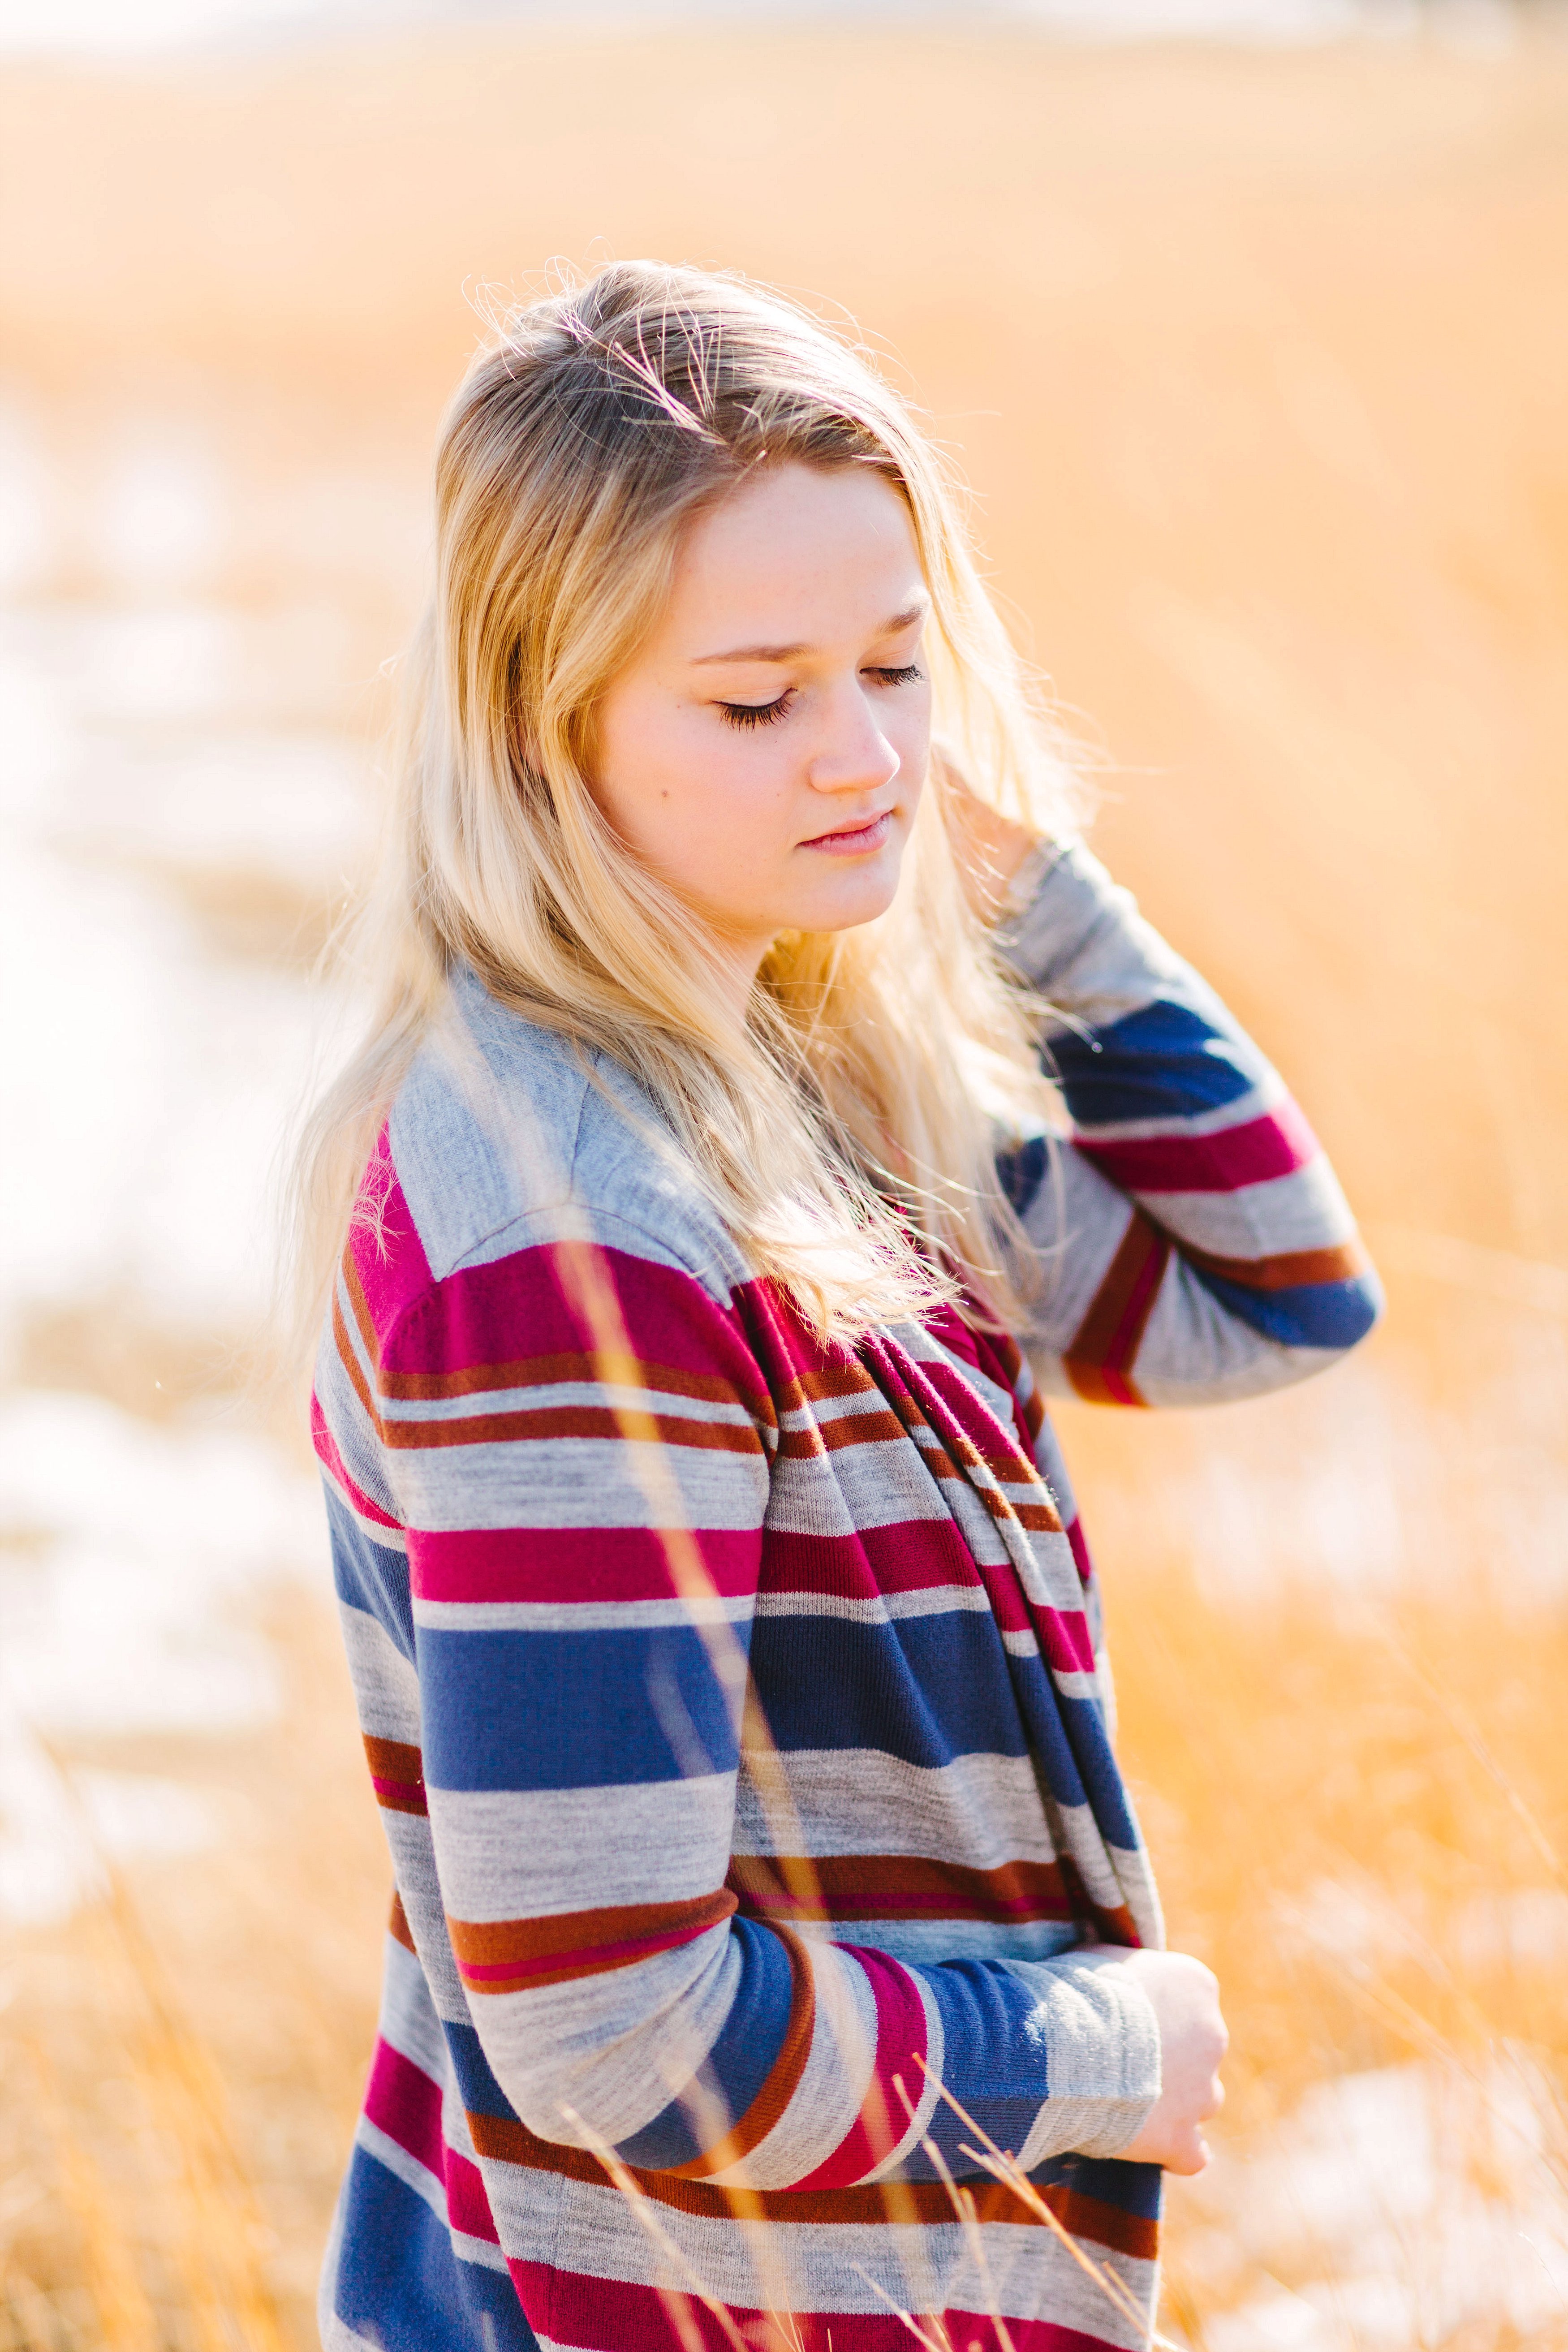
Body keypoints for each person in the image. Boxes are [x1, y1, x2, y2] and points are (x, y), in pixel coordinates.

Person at [298, 261, 1381, 2352]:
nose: (860, 752)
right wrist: (1092, 2046)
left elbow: (1273, 1293)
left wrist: (1017, 879)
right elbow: (608, 2026)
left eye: (897, 663)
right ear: (543, 718)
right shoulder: (578, 1243)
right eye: (754, 695)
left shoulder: (788, 1083)